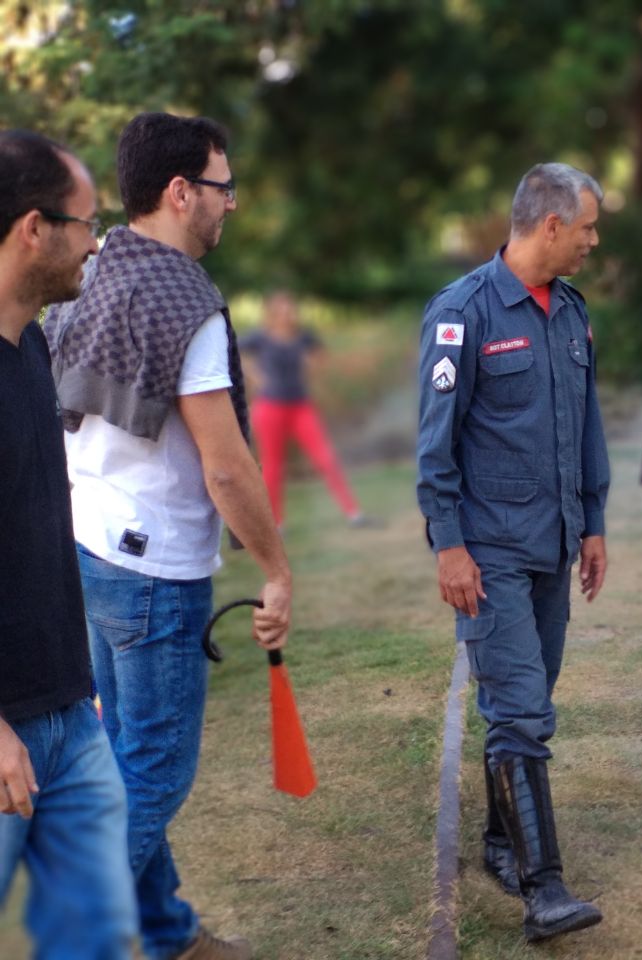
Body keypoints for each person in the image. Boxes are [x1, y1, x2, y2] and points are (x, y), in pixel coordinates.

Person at [43, 112, 291, 960]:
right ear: (182, 192)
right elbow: (226, 469)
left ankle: (168, 934)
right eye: (223, 188)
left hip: (88, 550)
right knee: (153, 769)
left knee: (115, 764)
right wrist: (277, 569)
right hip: (151, 576)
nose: (233, 204)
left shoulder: (97, 263)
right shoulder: (186, 301)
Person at [416, 162, 608, 943]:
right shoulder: (463, 312)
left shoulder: (568, 311)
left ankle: (502, 843)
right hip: (489, 549)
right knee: (523, 710)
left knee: (524, 708)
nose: (596, 242)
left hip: (553, 544)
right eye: (590, 227)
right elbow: (435, 448)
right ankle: (545, 889)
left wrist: (592, 523)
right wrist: (450, 546)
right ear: (552, 225)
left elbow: (587, 424)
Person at [0, 130, 138, 959]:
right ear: (32, 229)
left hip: (67, 716)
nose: (96, 242)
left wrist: (72, 683)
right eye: (86, 224)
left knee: (91, 936)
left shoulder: (36, 342)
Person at [240, 290, 374, 528]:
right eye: (280, 309)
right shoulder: (260, 337)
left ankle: (353, 513)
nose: (286, 313)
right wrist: (255, 376)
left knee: (326, 458)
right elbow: (237, 352)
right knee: (273, 466)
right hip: (270, 407)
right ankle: (277, 523)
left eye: (290, 308)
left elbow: (321, 356)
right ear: (271, 312)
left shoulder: (304, 337)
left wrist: (311, 366)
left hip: (300, 406)